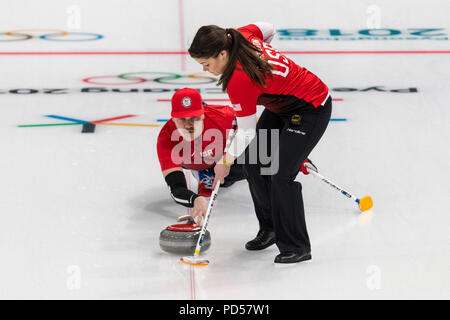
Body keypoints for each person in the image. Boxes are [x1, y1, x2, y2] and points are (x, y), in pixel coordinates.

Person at [188, 22, 331, 263]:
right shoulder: (239, 35)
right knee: (255, 163)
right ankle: (271, 228)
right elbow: (268, 28)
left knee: (281, 175)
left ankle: (297, 246)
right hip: (281, 106)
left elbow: (245, 131)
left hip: (311, 109)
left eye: (207, 64)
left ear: (223, 54)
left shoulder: (239, 78)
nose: (207, 70)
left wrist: (225, 162)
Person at [157, 88, 245, 225]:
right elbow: (176, 188)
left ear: (203, 114)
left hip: (222, 156)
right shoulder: (167, 138)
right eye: (181, 119)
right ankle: (204, 172)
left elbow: (255, 128)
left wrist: (227, 160)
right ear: (173, 119)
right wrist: (195, 199)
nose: (188, 125)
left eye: (194, 118)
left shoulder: (224, 116)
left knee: (259, 161)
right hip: (195, 160)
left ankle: (210, 172)